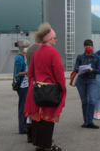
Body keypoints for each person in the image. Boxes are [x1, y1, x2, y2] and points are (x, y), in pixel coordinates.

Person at [24, 23, 66, 151]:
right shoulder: (53, 53)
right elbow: (59, 73)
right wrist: (62, 88)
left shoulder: (37, 53)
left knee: (37, 119)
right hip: (50, 90)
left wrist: (34, 86)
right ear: (48, 39)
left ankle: (39, 144)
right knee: (48, 119)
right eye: (54, 37)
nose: (56, 40)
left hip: (37, 90)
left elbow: (30, 73)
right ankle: (46, 145)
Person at [74, 39, 100, 129]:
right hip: (81, 80)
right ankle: (86, 121)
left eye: (89, 47)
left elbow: (99, 70)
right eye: (86, 47)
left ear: (92, 47)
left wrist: (92, 70)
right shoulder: (80, 57)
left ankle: (90, 121)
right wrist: (82, 68)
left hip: (91, 80)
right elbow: (76, 68)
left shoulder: (96, 57)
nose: (88, 49)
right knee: (84, 101)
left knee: (92, 100)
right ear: (84, 47)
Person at [24, 32, 43, 143]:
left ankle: (29, 133)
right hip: (40, 81)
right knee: (40, 110)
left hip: (31, 81)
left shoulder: (29, 50)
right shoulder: (41, 50)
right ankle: (39, 135)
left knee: (30, 109)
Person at [14, 39, 29, 135]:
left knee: (26, 107)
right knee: (22, 107)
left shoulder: (25, 57)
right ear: (23, 48)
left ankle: (25, 126)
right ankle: (22, 128)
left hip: (27, 84)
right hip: (23, 85)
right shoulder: (19, 58)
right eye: (27, 46)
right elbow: (18, 73)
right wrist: (29, 72)